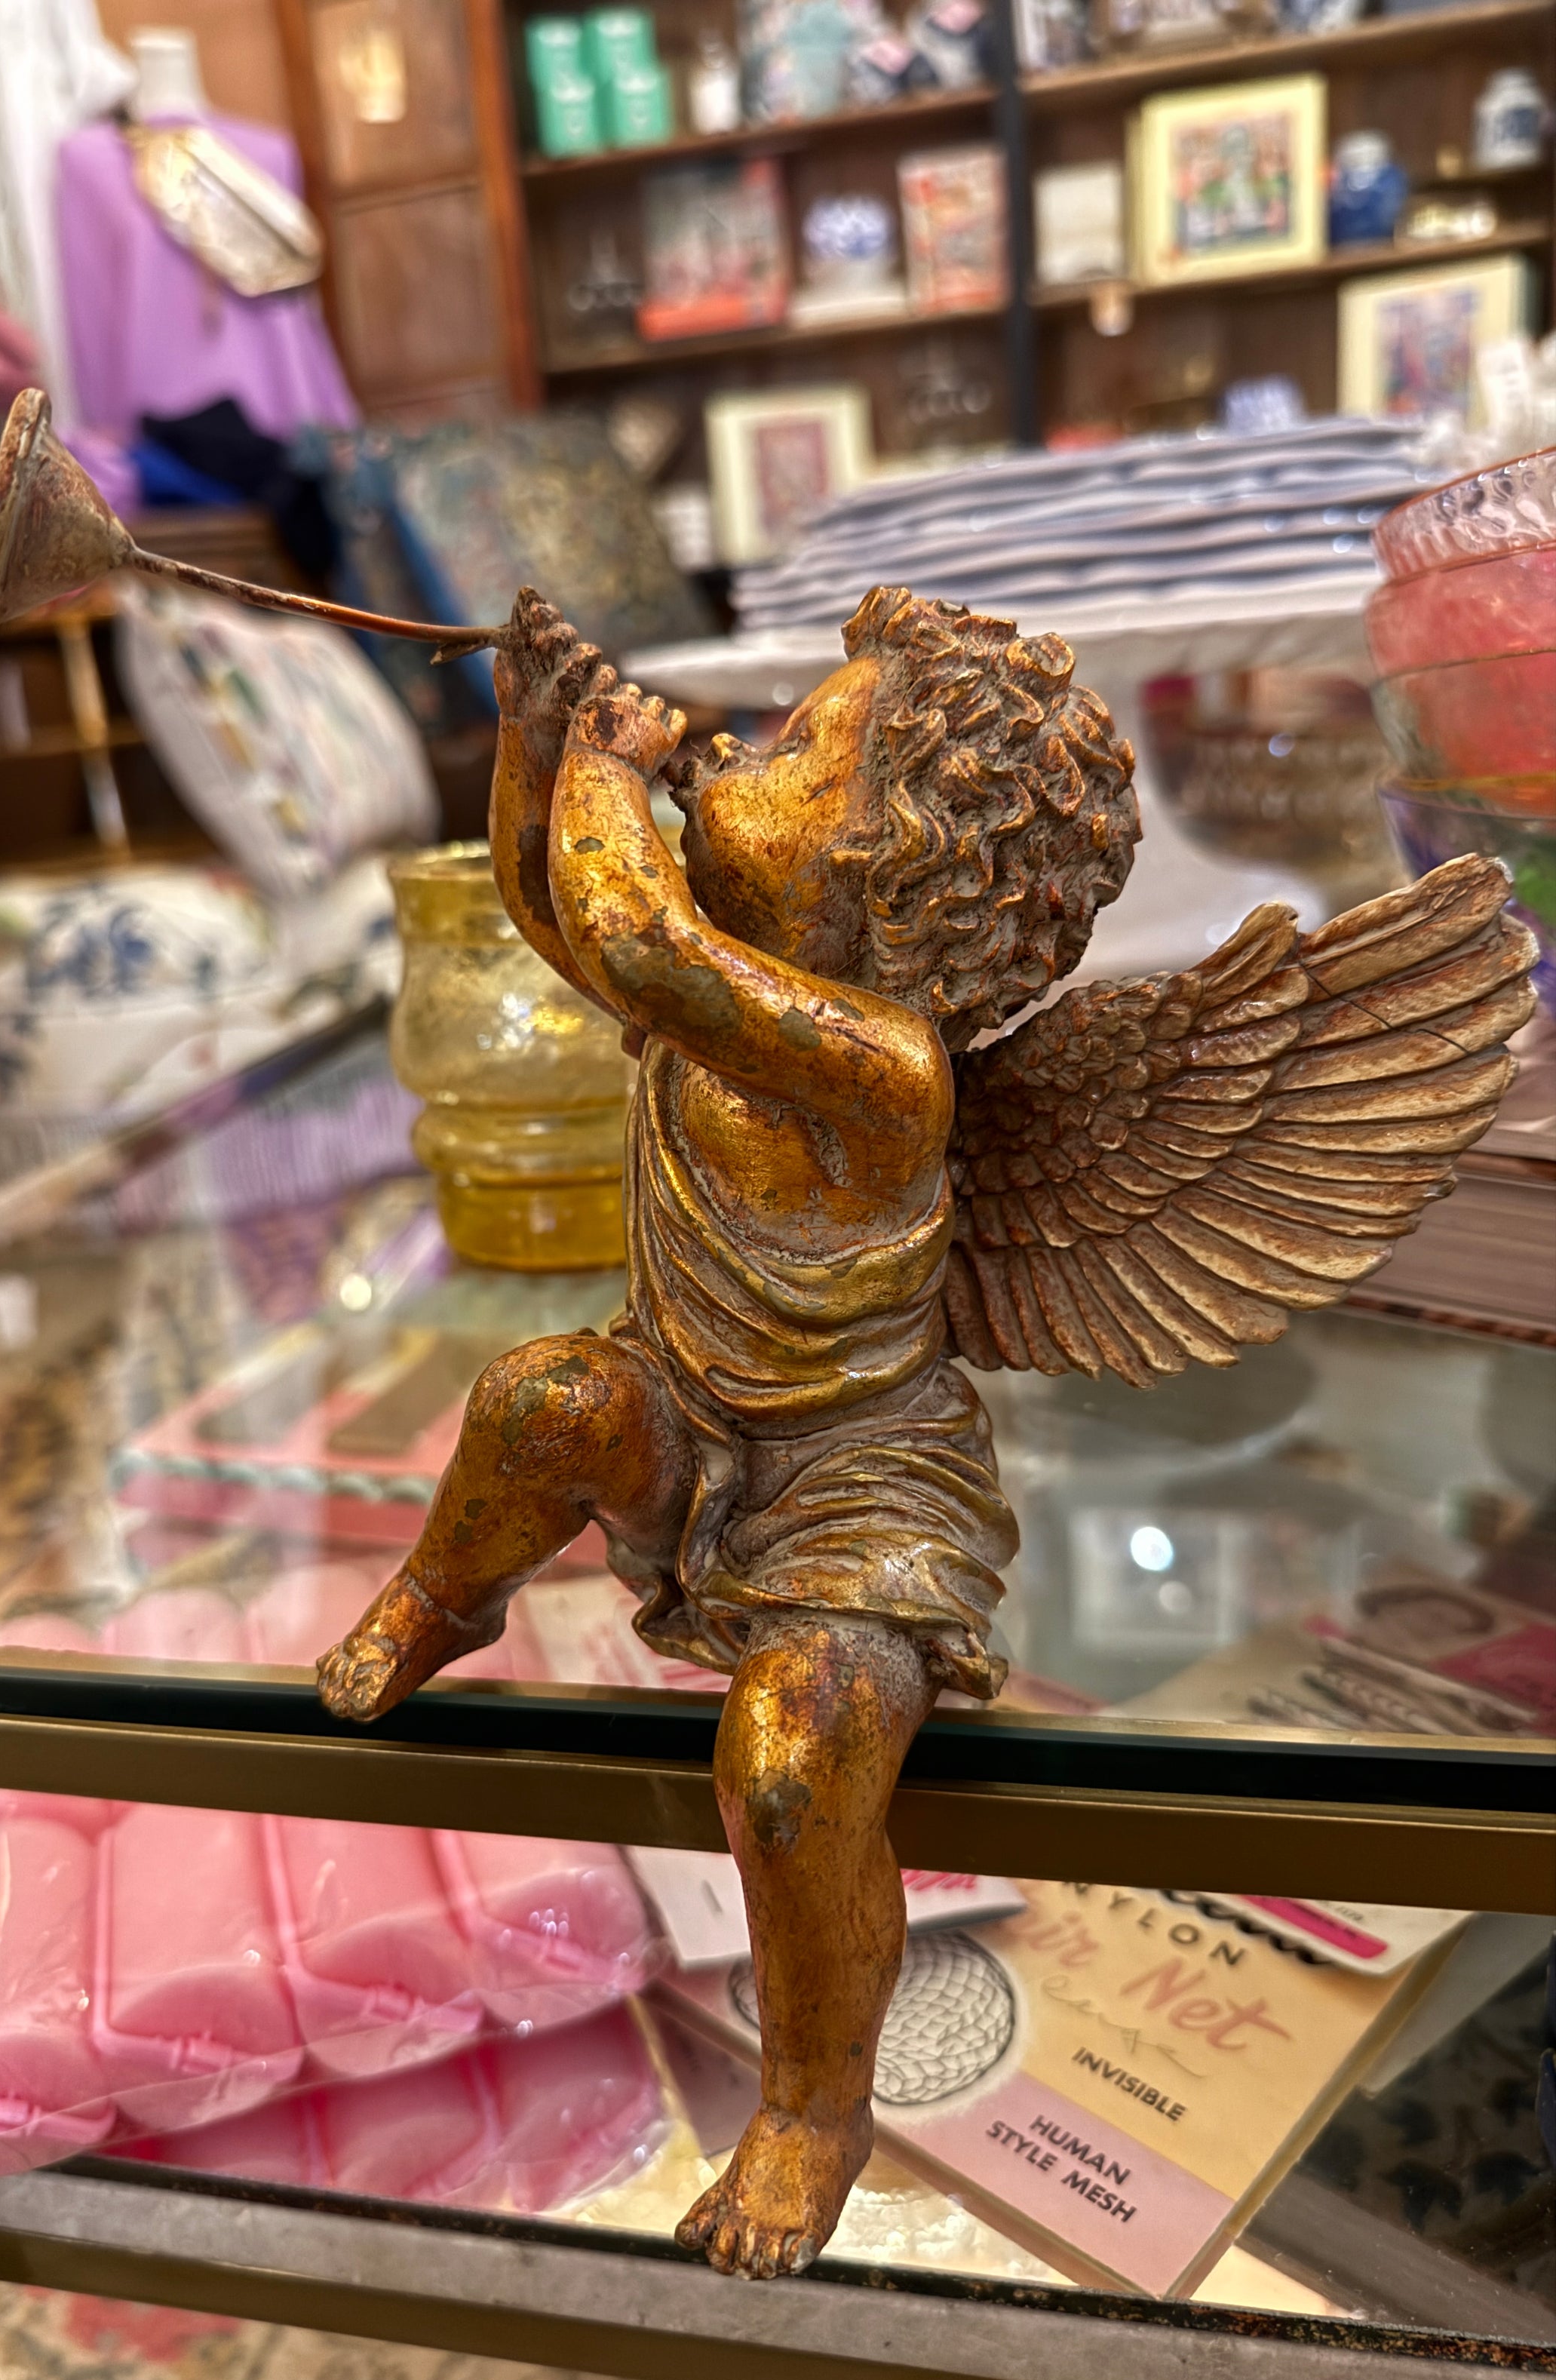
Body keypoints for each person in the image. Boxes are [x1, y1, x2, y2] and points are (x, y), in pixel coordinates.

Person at [318, 583, 1140, 2277]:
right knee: (542, 1399)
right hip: (691, 1419)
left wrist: (613, 764)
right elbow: (562, 910)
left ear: (886, 882)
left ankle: (815, 2102)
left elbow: (630, 939)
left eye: (784, 754)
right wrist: (535, 741)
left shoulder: (876, 1063)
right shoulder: (717, 997)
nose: (723, 752)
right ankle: (439, 1600)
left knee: (791, 1756)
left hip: (857, 1489)